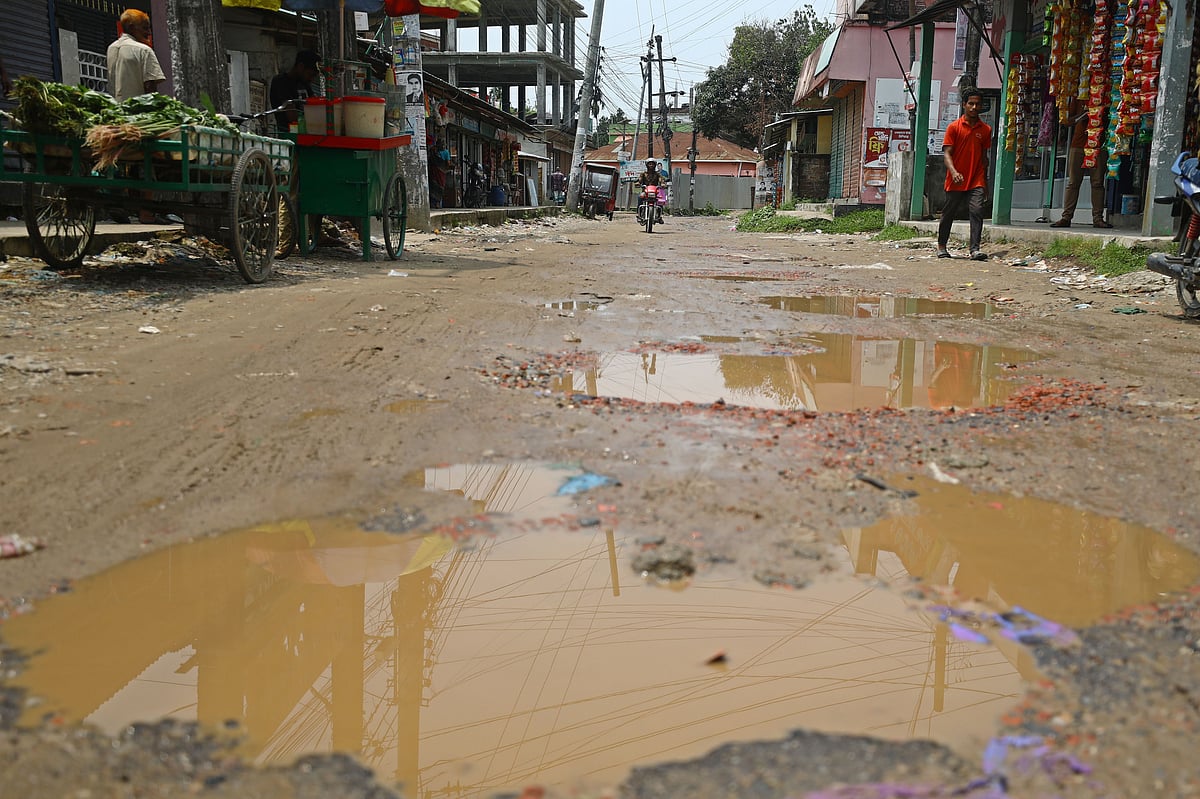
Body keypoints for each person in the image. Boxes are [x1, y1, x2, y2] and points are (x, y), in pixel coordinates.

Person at [937, 88, 992, 261]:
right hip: (956, 179)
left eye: (977, 104)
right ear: (964, 105)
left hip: (976, 178)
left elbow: (984, 157)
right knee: (949, 212)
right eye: (971, 103)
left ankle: (975, 249)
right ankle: (942, 246)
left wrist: (986, 183)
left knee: (977, 210)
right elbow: (947, 154)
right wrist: (953, 172)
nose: (974, 107)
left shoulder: (985, 129)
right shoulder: (954, 128)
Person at [1051, 95, 1111, 228]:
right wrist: (1082, 116)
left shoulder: (1106, 96)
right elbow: (1066, 121)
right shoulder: (1079, 97)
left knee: (1097, 182)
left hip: (1098, 145)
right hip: (1078, 145)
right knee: (1073, 182)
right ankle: (1066, 217)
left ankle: (1098, 218)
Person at [106, 9, 166, 102]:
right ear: (131, 28)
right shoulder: (144, 50)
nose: (149, 33)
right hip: (138, 111)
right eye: (145, 28)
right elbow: (150, 87)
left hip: (116, 111)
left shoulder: (111, 48)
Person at [269, 49, 321, 132]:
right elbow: (292, 116)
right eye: (310, 75)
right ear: (300, 66)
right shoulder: (281, 82)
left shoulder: (305, 83)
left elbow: (316, 106)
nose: (311, 79)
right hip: (289, 136)